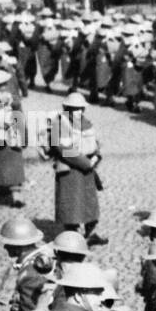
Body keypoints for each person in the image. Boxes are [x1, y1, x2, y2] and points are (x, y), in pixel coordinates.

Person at [48, 92, 104, 245]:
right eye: (74, 109)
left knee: (89, 203)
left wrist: (96, 155)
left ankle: (89, 232)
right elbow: (63, 148)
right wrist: (85, 162)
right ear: (67, 108)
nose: (78, 112)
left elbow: (94, 142)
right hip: (70, 170)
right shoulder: (59, 124)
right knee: (72, 206)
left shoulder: (86, 122)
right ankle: (72, 238)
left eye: (81, 109)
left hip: (87, 170)